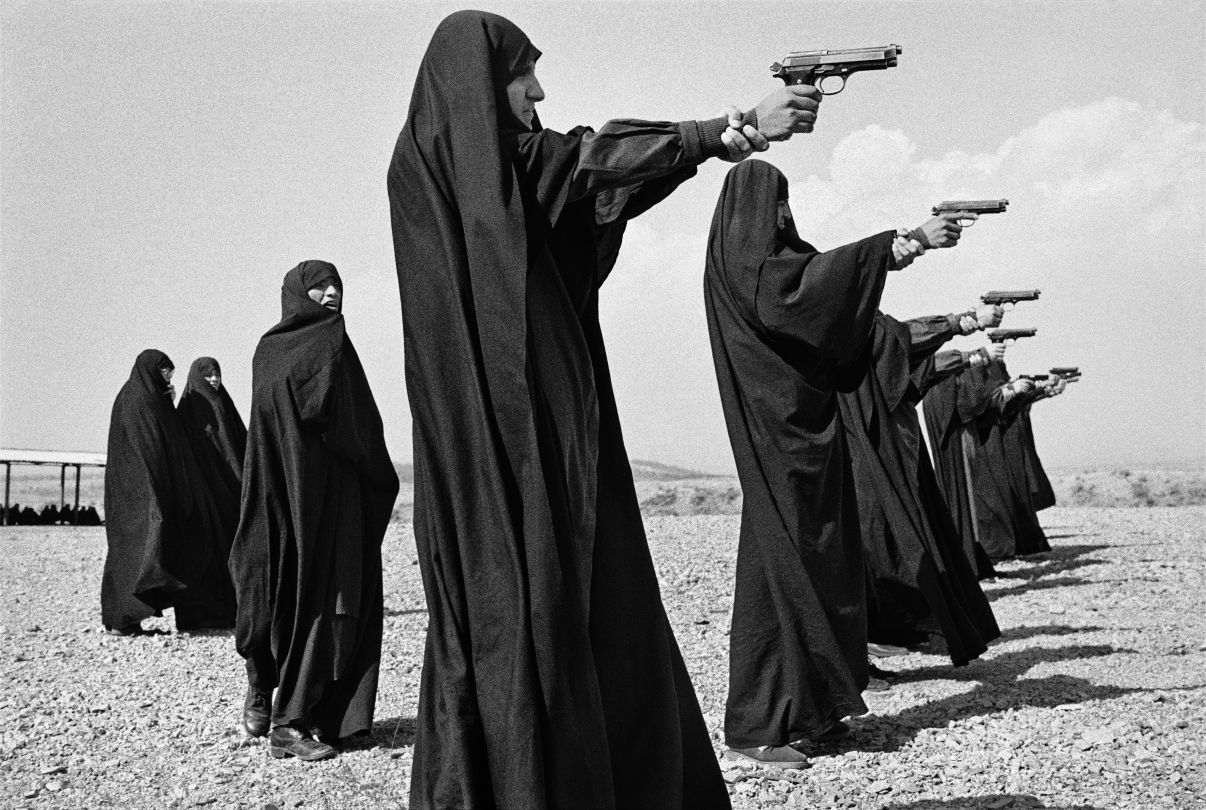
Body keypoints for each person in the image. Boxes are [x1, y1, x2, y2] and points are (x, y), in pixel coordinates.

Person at [387, 10, 822, 807]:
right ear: (482, 79)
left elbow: (586, 180)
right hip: (511, 444)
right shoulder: (470, 169)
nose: (537, 90)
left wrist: (706, 146)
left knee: (578, 609)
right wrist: (729, 127)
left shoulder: (459, 169)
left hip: (536, 436)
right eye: (523, 74)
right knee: (533, 610)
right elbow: (587, 165)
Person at [703, 159, 971, 768]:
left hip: (804, 438)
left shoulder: (763, 267)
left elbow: (831, 307)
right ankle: (758, 725)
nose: (784, 215)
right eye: (775, 203)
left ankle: (817, 705)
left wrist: (899, 254)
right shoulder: (755, 271)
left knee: (822, 565)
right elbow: (804, 293)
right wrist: (901, 243)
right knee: (780, 577)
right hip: (782, 443)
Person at [228, 261, 398, 762]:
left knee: (324, 601)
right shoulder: (289, 348)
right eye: (318, 286)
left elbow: (347, 419)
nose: (329, 294)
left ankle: (302, 717)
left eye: (336, 285)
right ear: (297, 294)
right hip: (290, 494)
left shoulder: (314, 348)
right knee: (283, 593)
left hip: (324, 498)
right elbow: (339, 423)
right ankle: (270, 694)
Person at [837, 309, 1001, 668]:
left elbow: (908, 376)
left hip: (886, 447)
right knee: (879, 541)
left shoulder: (860, 330)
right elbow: (894, 343)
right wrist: (958, 329)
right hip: (870, 453)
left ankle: (887, 631)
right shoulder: (851, 328)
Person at [101, 350, 220, 635]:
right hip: (138, 490)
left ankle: (127, 619)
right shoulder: (137, 399)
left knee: (145, 549)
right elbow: (146, 448)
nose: (168, 376)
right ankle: (124, 619)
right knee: (137, 549)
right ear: (151, 370)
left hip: (144, 489)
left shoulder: (149, 397)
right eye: (165, 371)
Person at [175, 357, 246, 630]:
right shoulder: (189, 411)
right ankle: (201, 615)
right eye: (207, 376)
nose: (214, 380)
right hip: (200, 496)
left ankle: (230, 612)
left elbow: (239, 444)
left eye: (217, 374)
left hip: (228, 494)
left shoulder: (223, 405)